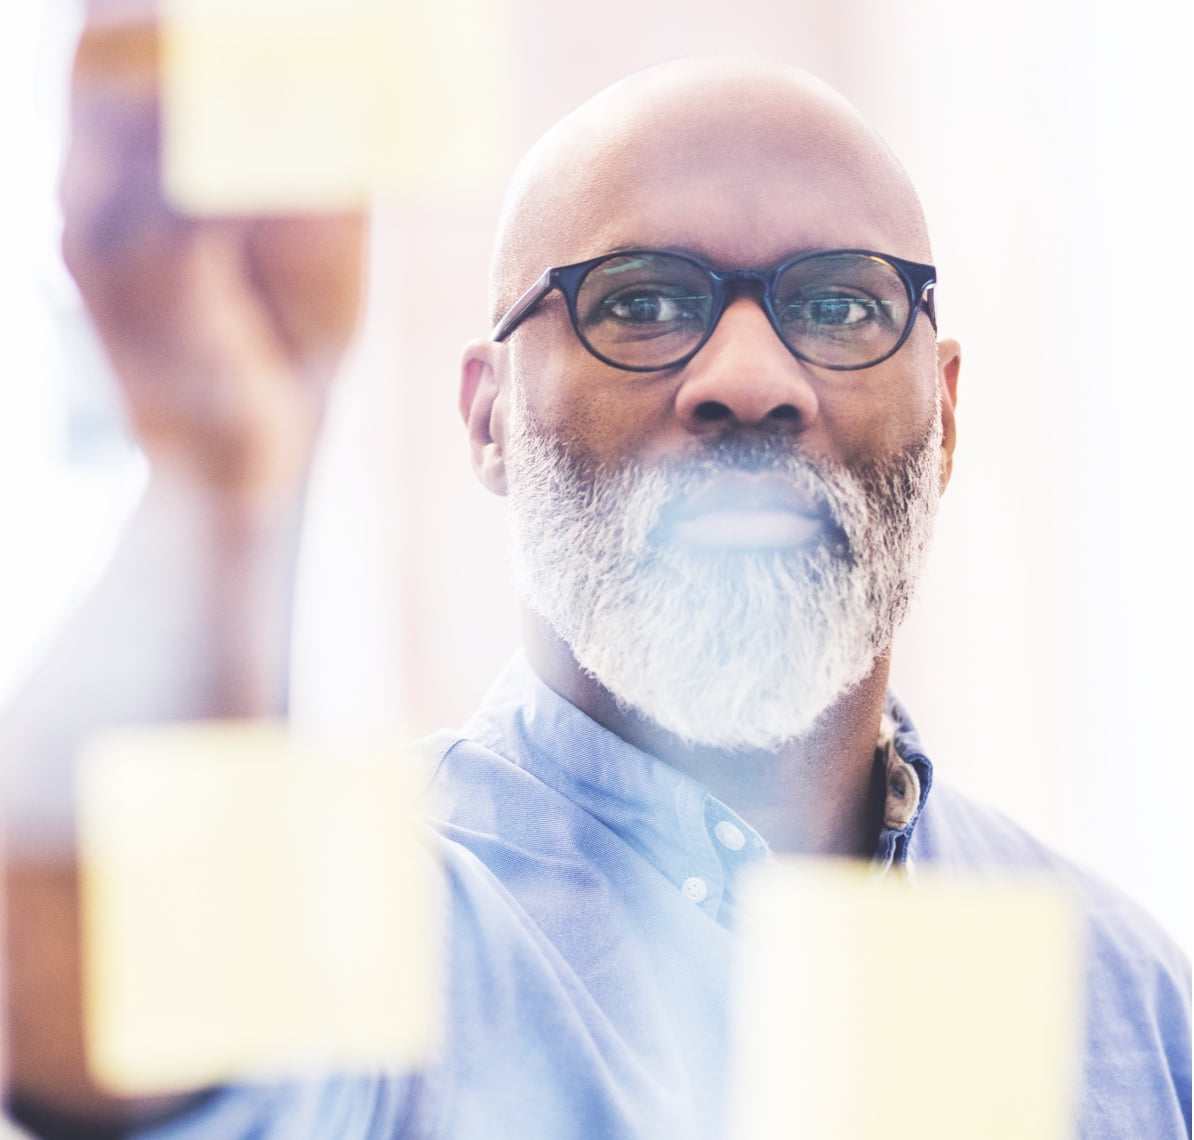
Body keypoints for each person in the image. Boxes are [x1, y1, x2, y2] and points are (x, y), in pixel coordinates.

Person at [3, 42, 1189, 1140]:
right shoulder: (375, 920)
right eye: (641, 301)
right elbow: (99, 1016)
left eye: (839, 305)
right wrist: (218, 481)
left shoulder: (1131, 1003)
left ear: (947, 418)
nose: (749, 378)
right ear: (487, 419)